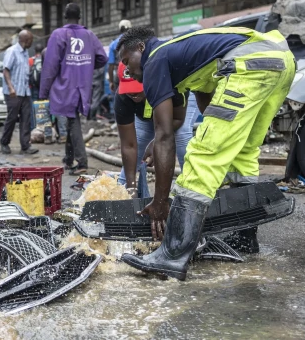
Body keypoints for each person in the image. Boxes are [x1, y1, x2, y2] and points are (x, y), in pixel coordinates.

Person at [117, 26, 295, 281]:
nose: (128, 71)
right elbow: (203, 103)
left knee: (204, 153)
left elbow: (166, 136)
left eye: (127, 61)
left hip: (250, 66)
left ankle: (172, 254)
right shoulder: (185, 56)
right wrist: (158, 142)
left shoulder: (155, 58)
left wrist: (160, 202)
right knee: (241, 152)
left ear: (141, 49)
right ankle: (244, 239)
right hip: (281, 62)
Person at [40, 3, 107, 175]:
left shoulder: (58, 34)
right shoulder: (89, 35)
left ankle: (82, 161)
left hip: (65, 85)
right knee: (72, 118)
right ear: (80, 17)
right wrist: (86, 66)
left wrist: (43, 92)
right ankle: (68, 159)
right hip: (83, 85)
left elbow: (50, 66)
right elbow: (102, 58)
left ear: (64, 16)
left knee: (72, 120)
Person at [113, 62, 199, 195]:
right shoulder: (123, 97)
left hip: (179, 104)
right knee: (139, 140)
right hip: (148, 109)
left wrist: (156, 142)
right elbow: (129, 145)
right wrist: (131, 187)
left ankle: (193, 189)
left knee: (181, 135)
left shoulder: (170, 84)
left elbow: (176, 120)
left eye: (137, 88)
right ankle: (123, 189)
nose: (132, 93)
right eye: (128, 88)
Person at [0, 30, 38, 155]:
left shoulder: (26, 53)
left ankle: (25, 146)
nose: (32, 43)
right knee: (12, 118)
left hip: (25, 92)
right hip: (13, 92)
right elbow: (6, 71)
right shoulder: (12, 51)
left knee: (26, 118)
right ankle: (4, 143)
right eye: (31, 40)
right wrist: (11, 88)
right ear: (25, 40)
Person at [107, 19, 132, 94]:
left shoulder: (113, 44)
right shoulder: (136, 41)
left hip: (119, 74)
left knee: (119, 97)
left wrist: (111, 82)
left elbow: (111, 65)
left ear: (120, 29)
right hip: (133, 73)